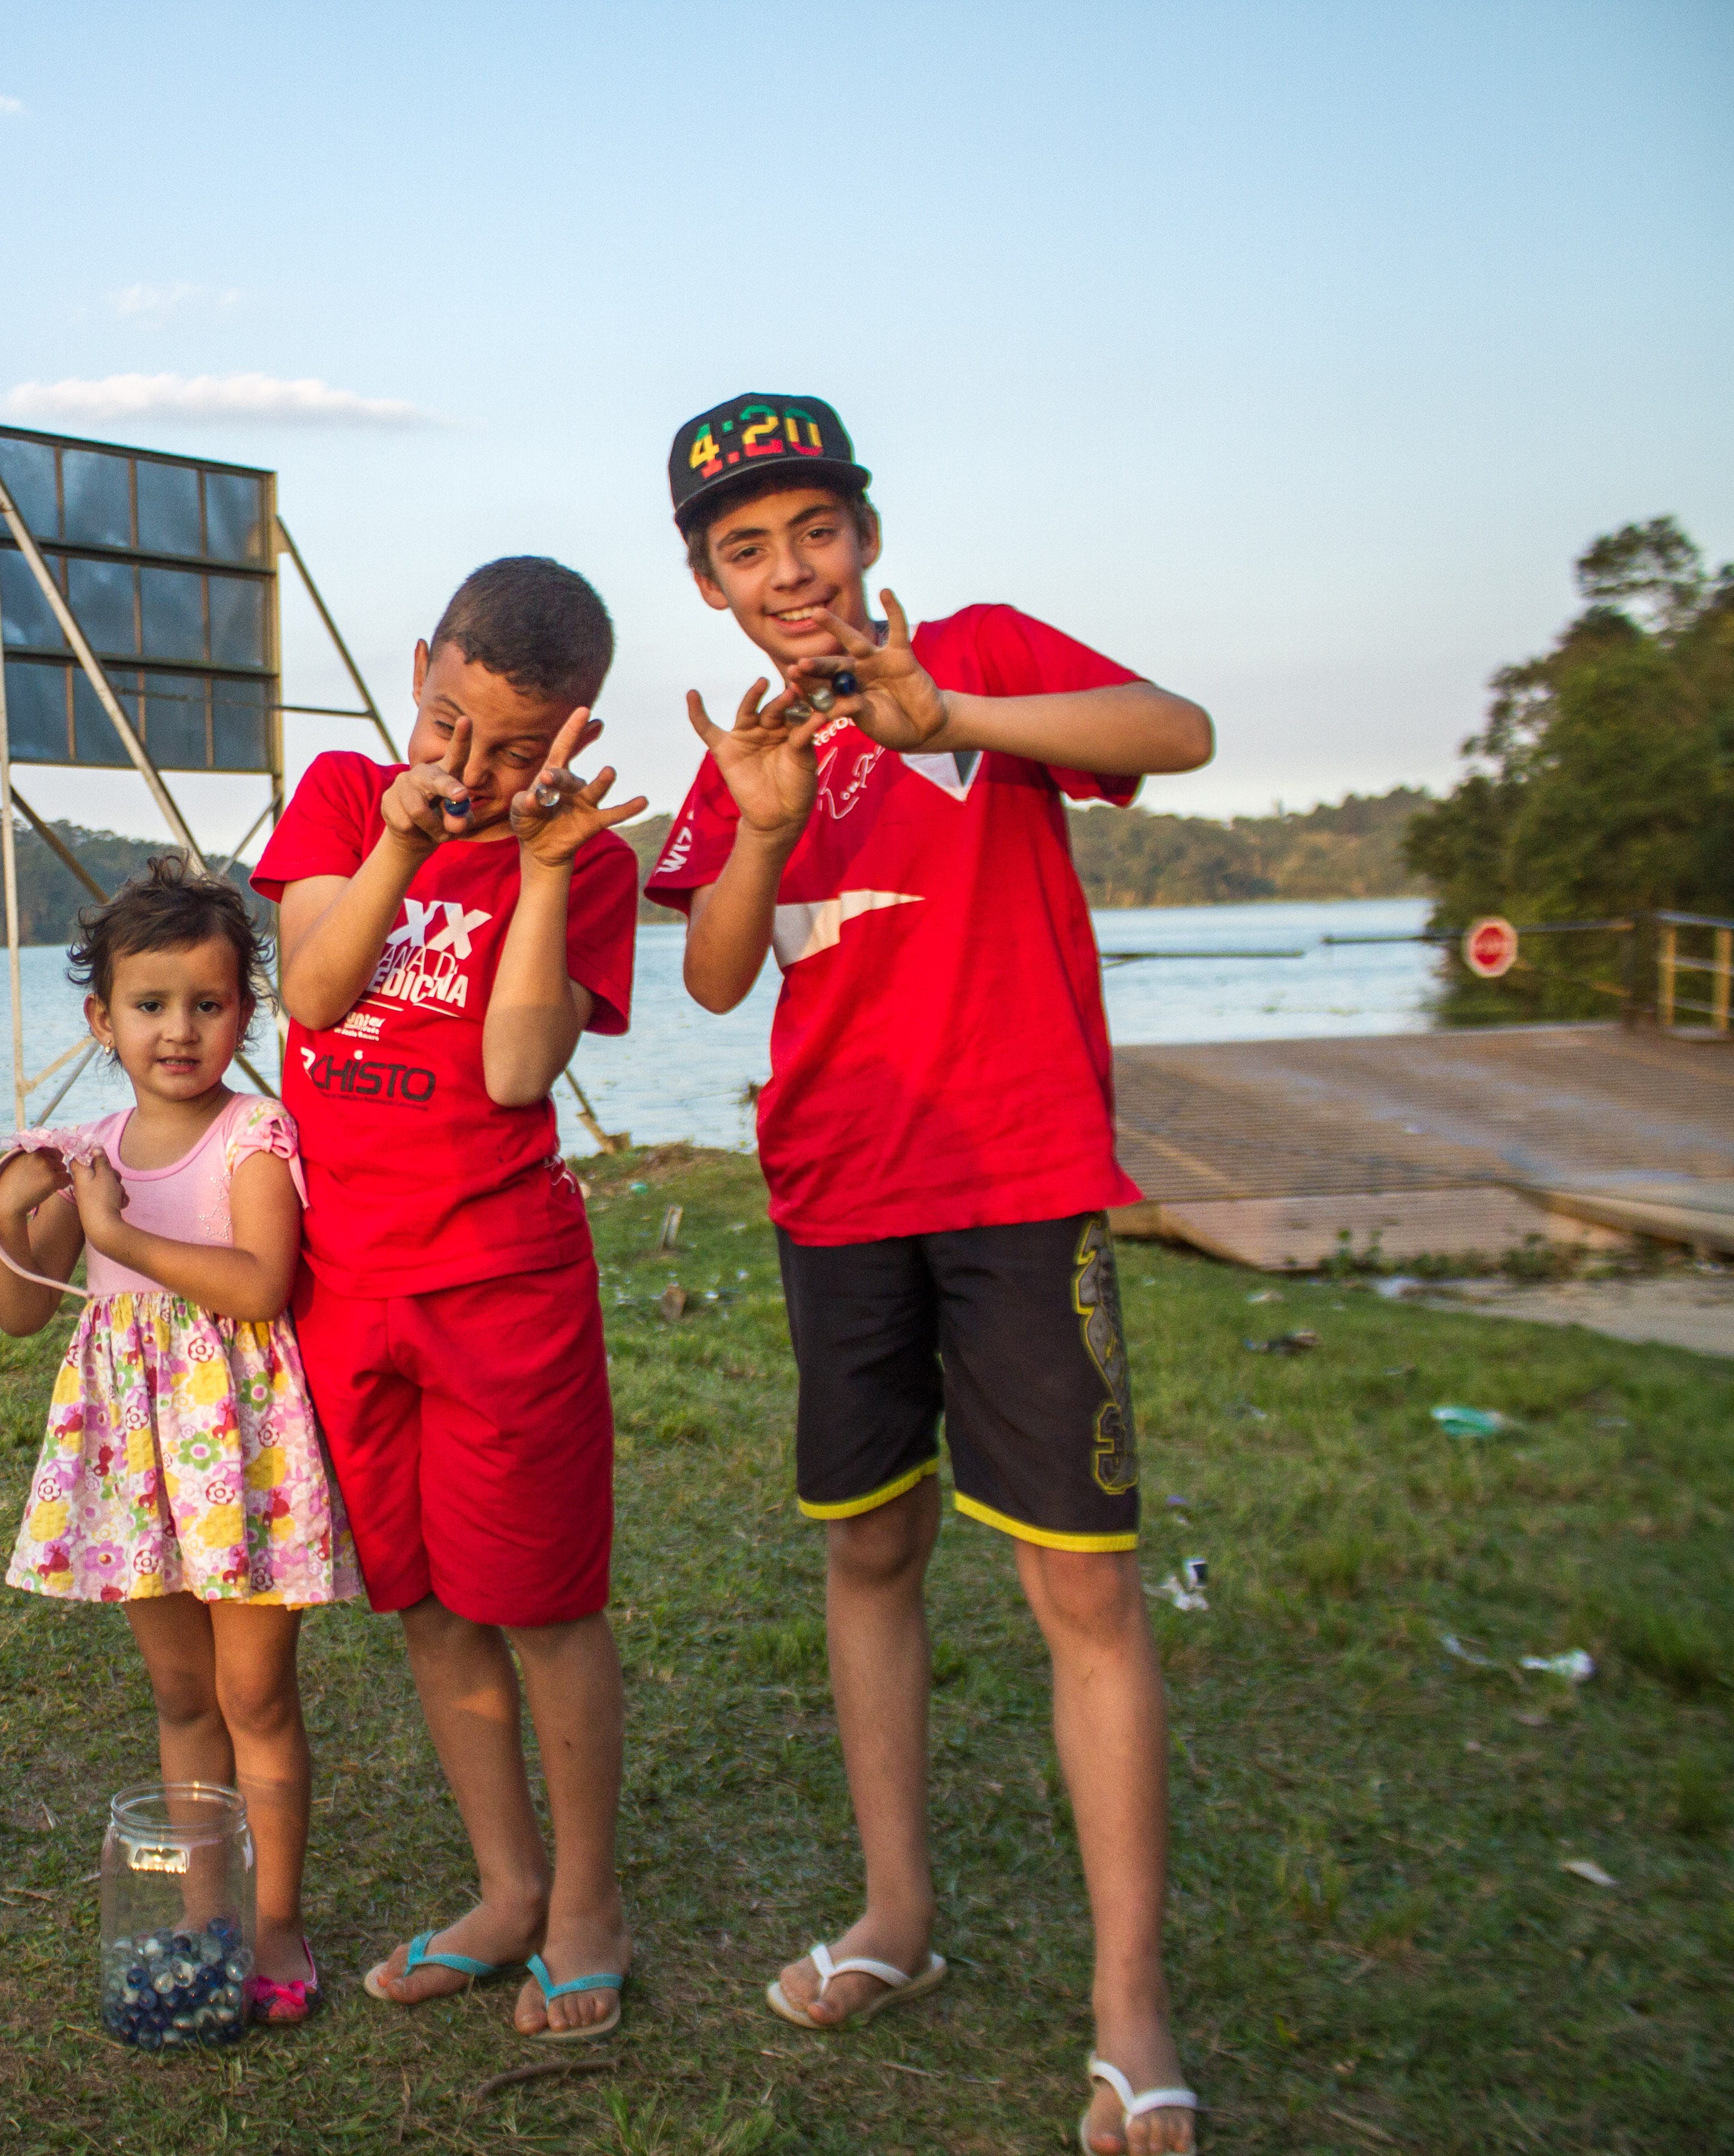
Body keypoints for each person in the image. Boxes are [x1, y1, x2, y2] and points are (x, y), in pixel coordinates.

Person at [647, 394, 1214, 2154]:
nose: (790, 570)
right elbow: (724, 982)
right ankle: (897, 1911)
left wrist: (949, 714)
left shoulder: (975, 659)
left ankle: (1133, 2004)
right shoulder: (741, 748)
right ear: (710, 585)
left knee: (1085, 1592)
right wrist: (754, 824)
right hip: (839, 1203)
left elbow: (1178, 730)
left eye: (814, 531)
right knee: (870, 1547)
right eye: (747, 551)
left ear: (867, 538)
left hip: (1023, 1182)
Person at [249, 557, 649, 2042]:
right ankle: (506, 1885)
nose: (471, 772)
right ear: (417, 670)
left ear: (571, 738)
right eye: (447, 725)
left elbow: (516, 1070)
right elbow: (310, 993)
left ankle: (591, 1899)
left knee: (540, 1605)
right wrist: (403, 851)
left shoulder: (587, 858)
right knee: (422, 1600)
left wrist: (541, 869)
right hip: (348, 1289)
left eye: (513, 749)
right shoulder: (351, 799)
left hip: (502, 1289)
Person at [0, 859, 364, 2027]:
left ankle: (277, 1921)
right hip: (140, 1464)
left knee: (256, 1696)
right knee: (181, 1694)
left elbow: (260, 1284)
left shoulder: (255, 1134)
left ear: (245, 1011)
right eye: (149, 1006)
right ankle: (210, 1914)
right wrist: (9, 1212)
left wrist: (124, 1240)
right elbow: (19, 1307)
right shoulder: (89, 1147)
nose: (179, 1031)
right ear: (103, 1019)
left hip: (236, 1456)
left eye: (208, 1004)